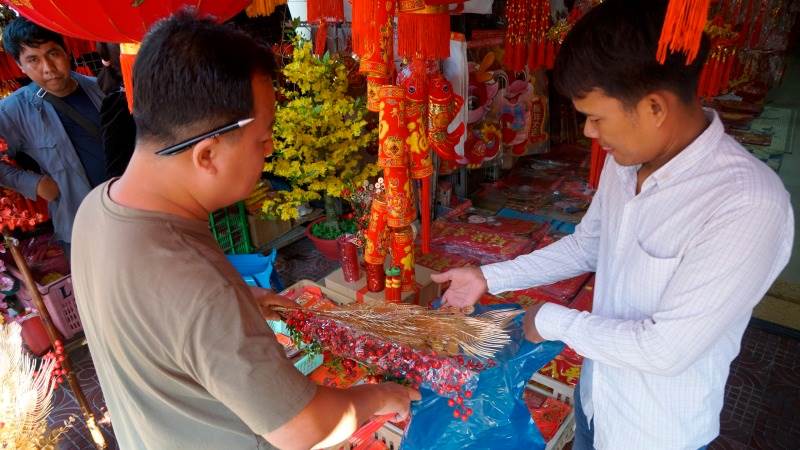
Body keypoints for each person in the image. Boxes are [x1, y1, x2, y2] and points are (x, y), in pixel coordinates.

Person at [431, 1, 794, 449]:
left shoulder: (746, 205)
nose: (587, 132)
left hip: (655, 431)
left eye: (597, 117)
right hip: (597, 401)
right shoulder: (625, 167)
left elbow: (666, 349)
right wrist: (489, 276)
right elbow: (587, 247)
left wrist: (550, 319)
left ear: (655, 107)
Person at [71, 12, 418, 450]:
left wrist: (239, 303)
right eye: (264, 138)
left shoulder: (97, 209)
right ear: (208, 154)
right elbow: (305, 430)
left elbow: (153, 318)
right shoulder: (198, 287)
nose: (270, 151)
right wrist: (380, 396)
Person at [0, 17, 107, 253]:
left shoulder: (101, 90)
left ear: (66, 51)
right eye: (33, 60)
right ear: (20, 65)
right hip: (81, 228)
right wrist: (34, 183)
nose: (48, 68)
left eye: (53, 53)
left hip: (132, 212)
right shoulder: (13, 112)